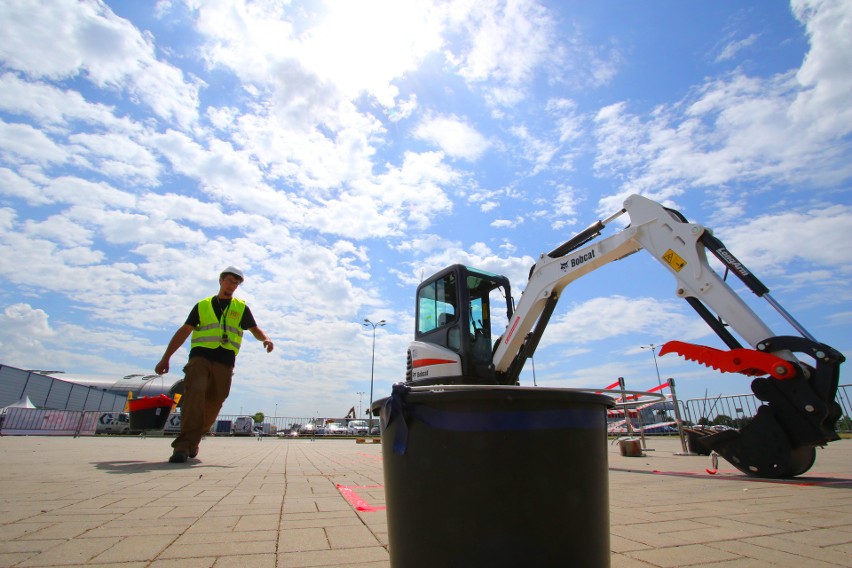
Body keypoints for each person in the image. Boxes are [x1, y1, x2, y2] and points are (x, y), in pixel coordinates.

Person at [155, 266, 273, 463]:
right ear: (220, 281)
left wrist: (266, 339)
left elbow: (254, 329)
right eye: (228, 280)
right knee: (194, 396)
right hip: (200, 358)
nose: (231, 285)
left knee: (216, 400)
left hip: (225, 362)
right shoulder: (202, 305)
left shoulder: (241, 308)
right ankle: (182, 447)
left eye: (235, 283)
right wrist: (166, 357)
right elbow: (184, 330)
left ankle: (194, 439)